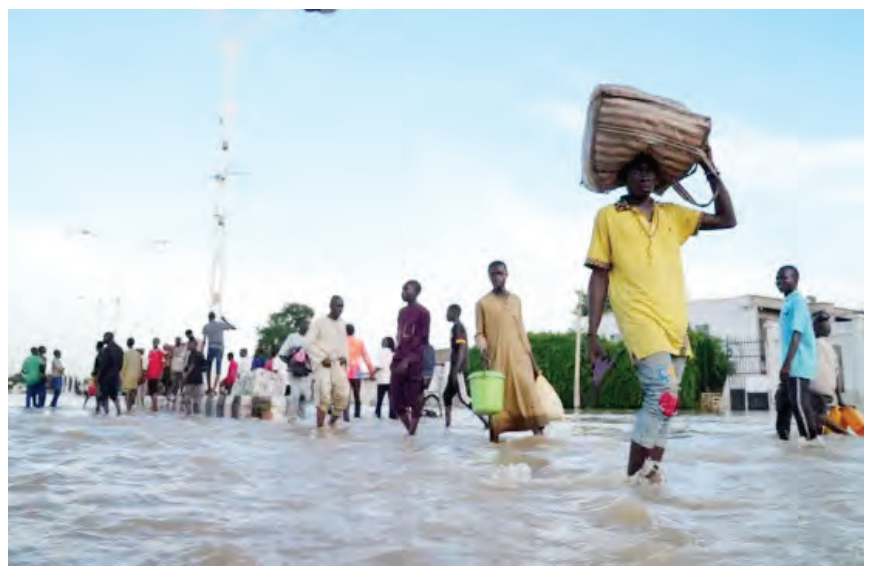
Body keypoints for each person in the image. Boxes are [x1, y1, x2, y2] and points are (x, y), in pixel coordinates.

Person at [585, 149, 737, 484]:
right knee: (661, 391)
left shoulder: (672, 214)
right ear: (624, 177)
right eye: (636, 171)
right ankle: (631, 480)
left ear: (658, 179)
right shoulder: (608, 216)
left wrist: (711, 170)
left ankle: (650, 477)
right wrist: (592, 333)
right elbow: (599, 276)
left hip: (674, 320)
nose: (644, 177)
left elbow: (727, 219)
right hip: (639, 318)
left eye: (650, 171)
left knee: (670, 402)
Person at [475, 261, 548, 443]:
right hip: (497, 360)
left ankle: (540, 445)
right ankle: (495, 447)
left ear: (507, 274)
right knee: (497, 404)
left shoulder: (516, 300)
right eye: (492, 274)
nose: (496, 277)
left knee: (529, 397)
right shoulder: (482, 303)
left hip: (520, 358)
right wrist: (482, 348)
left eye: (499, 273)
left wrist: (533, 362)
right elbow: (479, 333)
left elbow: (522, 331)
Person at [774, 265, 821, 447]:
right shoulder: (787, 303)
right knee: (786, 401)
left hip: (799, 362)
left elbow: (797, 334)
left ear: (795, 280)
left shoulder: (798, 302)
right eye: (777, 279)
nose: (779, 282)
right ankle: (796, 438)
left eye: (784, 278)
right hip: (792, 364)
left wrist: (787, 365)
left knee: (799, 403)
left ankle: (811, 439)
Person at [390, 280, 431, 436]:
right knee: (395, 401)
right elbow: (399, 336)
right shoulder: (401, 312)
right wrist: (397, 358)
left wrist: (408, 360)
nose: (403, 292)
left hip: (414, 361)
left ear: (416, 292)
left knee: (414, 398)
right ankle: (410, 432)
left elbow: (423, 341)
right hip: (398, 359)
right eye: (403, 289)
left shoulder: (424, 313)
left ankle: (412, 433)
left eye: (406, 289)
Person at [305, 296, 350, 428]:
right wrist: (321, 358)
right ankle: (320, 428)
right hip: (322, 364)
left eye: (342, 306)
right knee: (324, 396)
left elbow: (344, 343)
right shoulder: (319, 322)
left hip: (338, 364)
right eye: (337, 305)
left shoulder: (342, 323)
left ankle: (331, 423)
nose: (340, 309)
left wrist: (344, 357)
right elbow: (308, 343)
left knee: (343, 396)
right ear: (330, 306)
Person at [809, 311, 847, 435]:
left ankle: (844, 433)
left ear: (815, 328)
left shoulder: (813, 345)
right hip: (828, 391)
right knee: (818, 421)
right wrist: (840, 399)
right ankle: (817, 443)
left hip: (815, 390)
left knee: (816, 416)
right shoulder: (833, 348)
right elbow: (838, 374)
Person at [443, 304, 479, 428]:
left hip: (458, 370)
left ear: (454, 313)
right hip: (454, 369)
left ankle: (488, 421)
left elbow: (462, 349)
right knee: (447, 395)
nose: (446, 314)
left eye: (447, 312)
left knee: (464, 398)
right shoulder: (455, 327)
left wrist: (456, 370)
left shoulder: (458, 327)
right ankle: (447, 426)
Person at [279, 318, 313, 421]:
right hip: (294, 373)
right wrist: (291, 364)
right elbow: (282, 354)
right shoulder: (292, 338)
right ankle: (293, 419)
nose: (306, 328)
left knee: (306, 396)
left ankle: (301, 419)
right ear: (300, 326)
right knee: (295, 395)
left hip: (306, 373)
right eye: (305, 325)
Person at [345, 323, 375, 421]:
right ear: (353, 331)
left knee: (346, 395)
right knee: (357, 394)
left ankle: (346, 417)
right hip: (357, 371)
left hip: (345, 371)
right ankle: (357, 415)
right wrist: (371, 371)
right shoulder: (360, 342)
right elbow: (366, 357)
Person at [202, 312, 237, 395]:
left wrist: (201, 351)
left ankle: (209, 388)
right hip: (219, 348)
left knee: (208, 368)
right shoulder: (220, 324)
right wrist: (225, 320)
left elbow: (204, 341)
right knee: (218, 369)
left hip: (211, 347)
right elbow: (234, 327)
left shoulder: (206, 326)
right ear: (214, 317)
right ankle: (213, 389)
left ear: (208, 317)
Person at [96, 332, 124, 416]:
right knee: (113, 394)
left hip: (105, 376)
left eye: (104, 338)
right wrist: (116, 372)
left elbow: (103, 365)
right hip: (115, 375)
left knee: (104, 395)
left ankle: (106, 413)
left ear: (108, 338)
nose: (103, 340)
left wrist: (98, 377)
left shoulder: (106, 349)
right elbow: (121, 364)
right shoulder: (120, 349)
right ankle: (119, 411)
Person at [182, 339, 206, 416]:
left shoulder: (193, 354)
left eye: (189, 344)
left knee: (187, 399)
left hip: (191, 380)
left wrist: (185, 376)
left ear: (194, 345)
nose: (188, 345)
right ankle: (196, 419)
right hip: (198, 380)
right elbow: (204, 366)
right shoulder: (199, 354)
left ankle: (189, 416)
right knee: (196, 402)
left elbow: (191, 366)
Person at [374, 337, 396, 419]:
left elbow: (378, 366)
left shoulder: (380, 352)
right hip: (391, 379)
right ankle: (392, 414)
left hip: (381, 379)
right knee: (392, 399)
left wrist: (372, 373)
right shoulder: (393, 353)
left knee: (380, 399)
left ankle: (378, 413)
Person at [121, 338, 144, 413]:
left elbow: (124, 365)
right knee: (133, 391)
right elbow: (140, 365)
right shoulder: (138, 354)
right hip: (136, 375)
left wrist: (121, 375)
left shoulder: (126, 353)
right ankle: (131, 406)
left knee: (127, 392)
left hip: (128, 375)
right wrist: (140, 375)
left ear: (127, 344)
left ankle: (128, 409)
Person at [145, 338, 166, 412]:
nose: (154, 343)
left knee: (154, 392)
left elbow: (163, 364)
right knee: (151, 392)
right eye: (154, 342)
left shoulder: (161, 352)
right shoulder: (150, 352)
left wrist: (161, 374)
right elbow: (148, 363)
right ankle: (153, 407)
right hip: (150, 375)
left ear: (158, 343)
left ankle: (155, 408)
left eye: (156, 342)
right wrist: (146, 374)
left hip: (156, 375)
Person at [84, 341, 104, 410]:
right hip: (98, 376)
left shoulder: (100, 355)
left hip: (97, 376)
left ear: (98, 347)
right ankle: (97, 407)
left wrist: (96, 375)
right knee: (95, 392)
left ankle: (95, 407)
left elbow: (99, 367)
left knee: (93, 392)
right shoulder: (102, 355)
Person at [169, 337, 187, 404]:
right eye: (176, 341)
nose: (177, 342)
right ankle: (173, 397)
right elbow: (171, 358)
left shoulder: (183, 347)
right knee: (175, 384)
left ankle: (183, 398)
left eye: (178, 340)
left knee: (182, 383)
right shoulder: (174, 348)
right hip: (175, 368)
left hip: (181, 368)